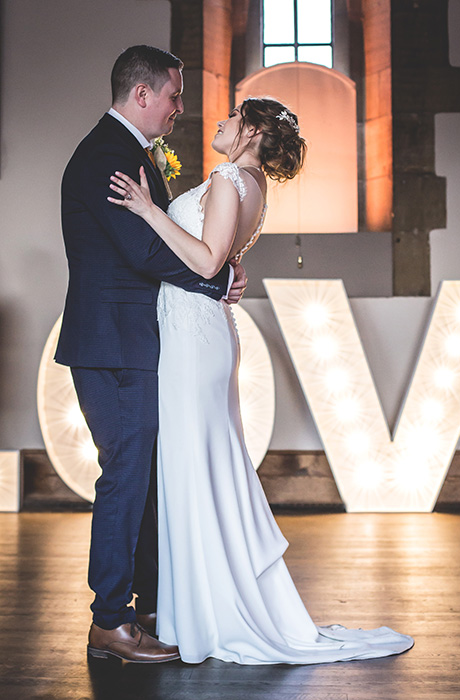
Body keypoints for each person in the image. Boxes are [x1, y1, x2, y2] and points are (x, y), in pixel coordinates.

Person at [108, 97, 415, 664]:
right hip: (201, 333)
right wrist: (223, 266)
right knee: (201, 466)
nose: (220, 123)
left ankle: (200, 613)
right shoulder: (253, 185)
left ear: (249, 131)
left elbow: (205, 263)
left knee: (193, 467)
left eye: (231, 117)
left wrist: (151, 211)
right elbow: (222, 262)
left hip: (193, 341)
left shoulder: (228, 177)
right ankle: (194, 607)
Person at [55, 45, 246, 664]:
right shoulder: (108, 156)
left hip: (130, 341)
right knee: (126, 476)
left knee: (143, 474)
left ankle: (147, 604)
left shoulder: (126, 152)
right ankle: (110, 621)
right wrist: (215, 282)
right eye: (174, 94)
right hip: (114, 345)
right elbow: (141, 251)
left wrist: (212, 275)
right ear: (142, 95)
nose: (179, 107)